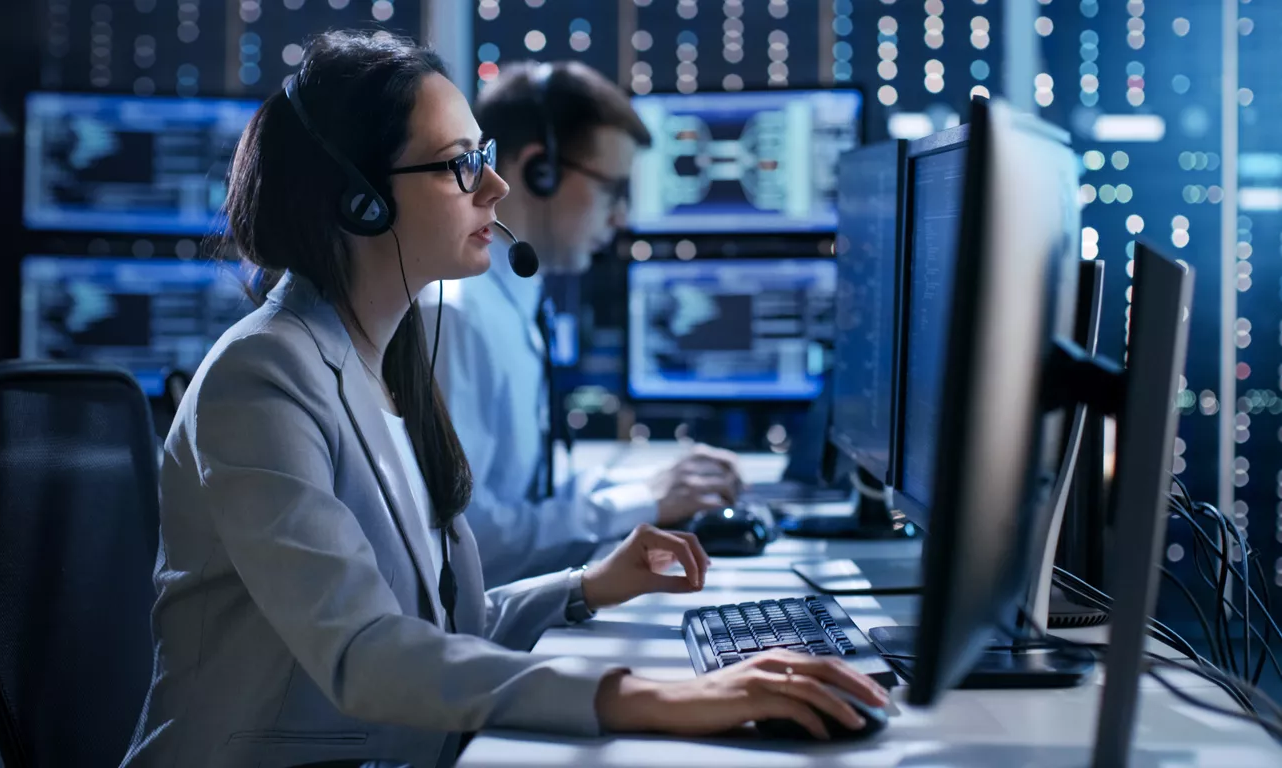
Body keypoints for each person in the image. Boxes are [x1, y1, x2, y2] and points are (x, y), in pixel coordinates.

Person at [119, 31, 888, 768]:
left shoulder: (385, 356)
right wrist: (653, 696)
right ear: (361, 201)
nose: (496, 186)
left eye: (483, 157)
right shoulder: (262, 377)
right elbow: (364, 651)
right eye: (460, 165)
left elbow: (441, 624)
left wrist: (586, 587)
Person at [423, 60, 745, 589]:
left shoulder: (516, 303)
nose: (621, 218)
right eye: (613, 190)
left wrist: (649, 486)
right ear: (538, 171)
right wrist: (644, 500)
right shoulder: (455, 318)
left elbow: (529, 491)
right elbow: (468, 543)